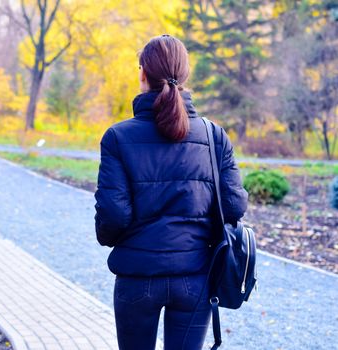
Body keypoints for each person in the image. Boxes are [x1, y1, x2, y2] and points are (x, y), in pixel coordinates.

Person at [94, 35, 248, 350]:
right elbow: (233, 207)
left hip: (137, 278)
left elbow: (113, 216)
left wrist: (118, 239)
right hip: (194, 279)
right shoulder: (214, 136)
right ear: (185, 74)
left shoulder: (117, 138)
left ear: (142, 74)